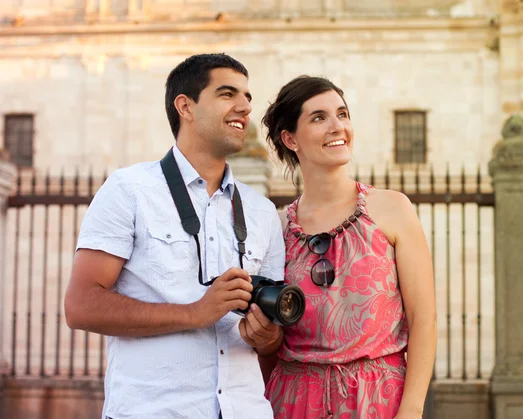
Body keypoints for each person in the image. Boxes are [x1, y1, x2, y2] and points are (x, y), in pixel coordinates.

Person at [64, 53, 285, 419]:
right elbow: (80, 306)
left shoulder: (262, 211)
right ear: (185, 106)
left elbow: (275, 338)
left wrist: (267, 336)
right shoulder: (129, 190)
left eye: (247, 97)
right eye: (228, 94)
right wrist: (195, 312)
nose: (245, 107)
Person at [259, 76, 437, 419]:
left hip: (378, 399)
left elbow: (423, 318)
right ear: (290, 138)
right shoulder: (277, 227)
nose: (337, 126)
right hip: (293, 402)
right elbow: (269, 338)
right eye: (319, 117)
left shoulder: (392, 208)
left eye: (342, 114)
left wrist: (412, 410)